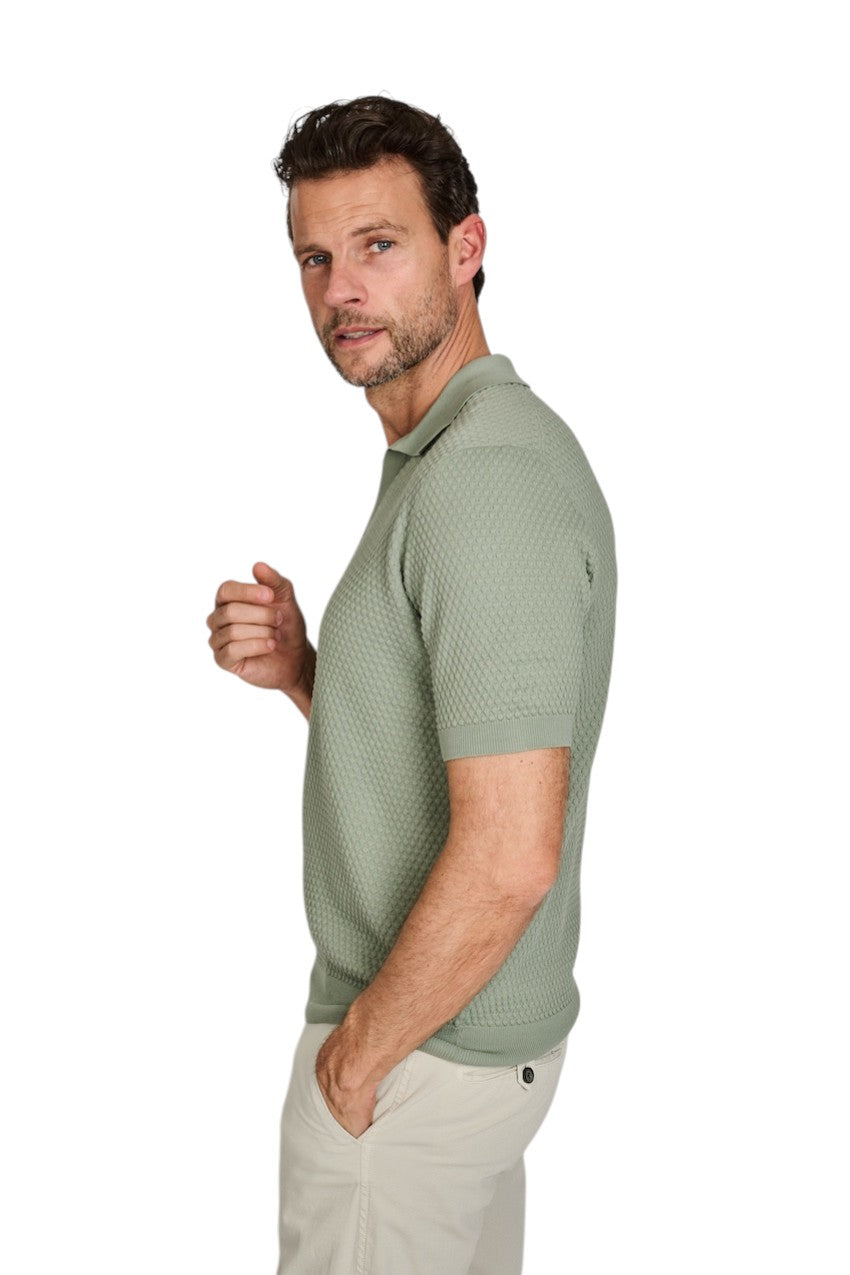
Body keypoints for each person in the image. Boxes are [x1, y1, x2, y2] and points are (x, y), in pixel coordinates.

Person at [206, 95, 617, 1275]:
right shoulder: (443, 458)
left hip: (415, 1066)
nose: (341, 289)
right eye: (315, 258)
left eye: (378, 245)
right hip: (448, 1056)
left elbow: (510, 855)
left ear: (465, 248)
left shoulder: (482, 481)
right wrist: (306, 675)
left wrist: (354, 1065)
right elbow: (443, 753)